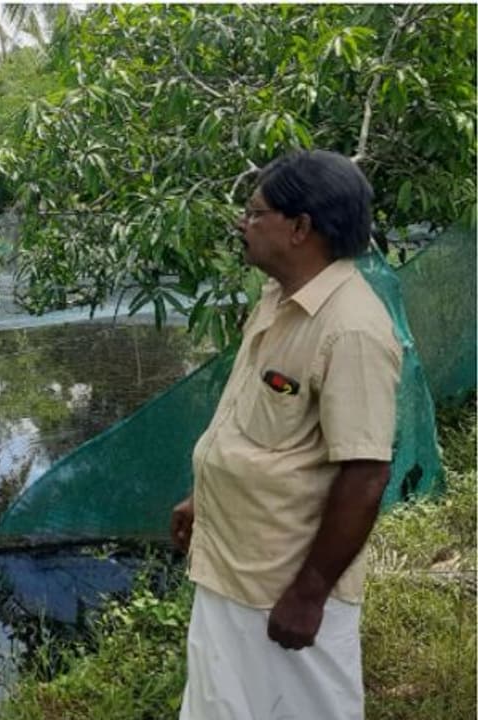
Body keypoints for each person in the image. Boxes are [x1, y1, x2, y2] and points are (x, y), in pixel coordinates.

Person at [171, 149, 400, 720]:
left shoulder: (351, 330)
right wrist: (205, 497)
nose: (242, 225)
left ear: (300, 228)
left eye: (255, 213)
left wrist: (309, 593)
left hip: (283, 585)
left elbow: (366, 472)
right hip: (231, 567)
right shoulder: (278, 300)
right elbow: (255, 424)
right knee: (221, 706)